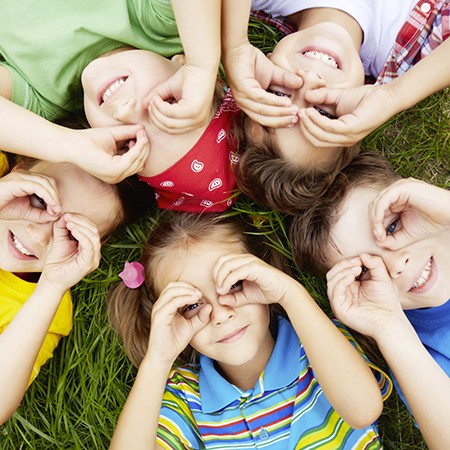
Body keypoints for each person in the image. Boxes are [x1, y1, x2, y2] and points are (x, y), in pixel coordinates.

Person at [107, 212, 392, 449]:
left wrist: (289, 294)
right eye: (191, 306)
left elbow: (364, 410)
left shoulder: (320, 342)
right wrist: (158, 359)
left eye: (234, 284)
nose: (220, 315)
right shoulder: (187, 395)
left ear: (263, 275)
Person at [0, 0, 236, 210]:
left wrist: (69, 144)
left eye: (126, 143)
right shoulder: (157, 23)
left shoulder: (43, 98)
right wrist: (201, 64)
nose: (125, 111)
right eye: (166, 103)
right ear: (181, 65)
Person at [288, 152, 450, 449]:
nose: (396, 266)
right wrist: (389, 328)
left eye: (392, 227)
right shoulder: (418, 355)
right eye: (366, 271)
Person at [223, 0, 449, 212]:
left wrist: (235, 44)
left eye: (279, 93)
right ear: (357, 113)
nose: (310, 80)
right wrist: (392, 96)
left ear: (262, 65)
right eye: (323, 111)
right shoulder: (417, 51)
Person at [0, 158, 152, 425]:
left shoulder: (39, 309)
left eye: (69, 233)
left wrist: (52, 286)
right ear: (18, 169)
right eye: (37, 199)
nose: (38, 235)